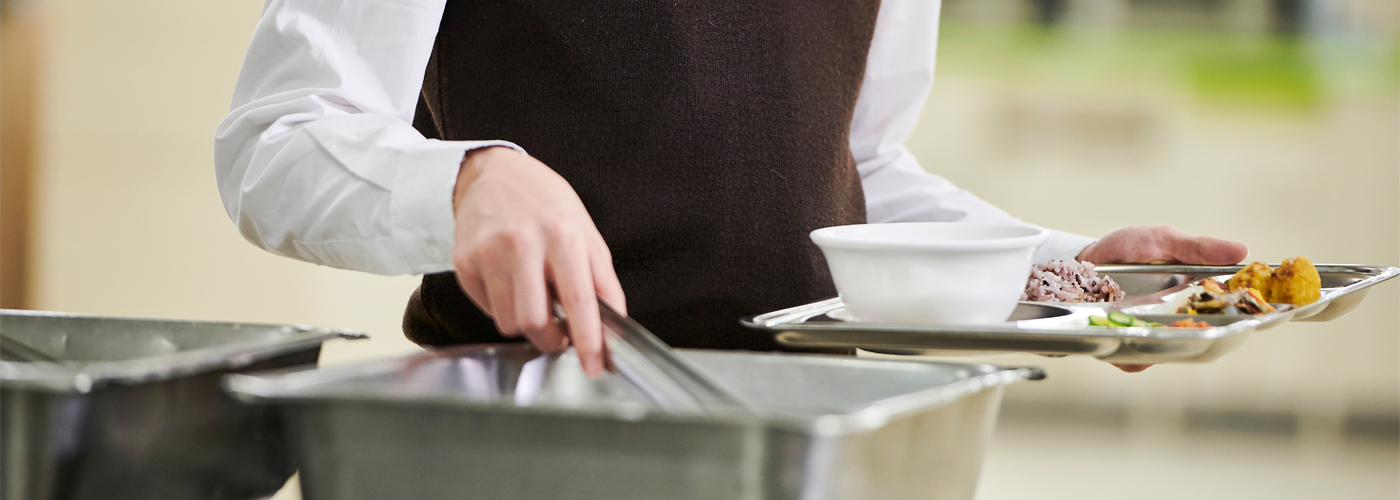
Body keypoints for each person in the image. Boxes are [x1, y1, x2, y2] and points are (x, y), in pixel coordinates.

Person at [215, 0, 1247, 377]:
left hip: (798, 442)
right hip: (527, 442)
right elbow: (277, 138)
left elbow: (852, 174)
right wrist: (469, 178)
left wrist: (1062, 273)